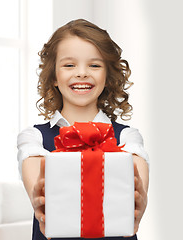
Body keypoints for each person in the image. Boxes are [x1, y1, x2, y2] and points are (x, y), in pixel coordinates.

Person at [17, 19, 149, 240]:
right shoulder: (33, 137)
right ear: (53, 78)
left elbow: (138, 177)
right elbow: (35, 180)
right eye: (69, 65)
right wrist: (38, 195)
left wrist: (140, 196)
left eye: (94, 65)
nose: (81, 73)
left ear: (107, 77)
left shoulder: (127, 136)